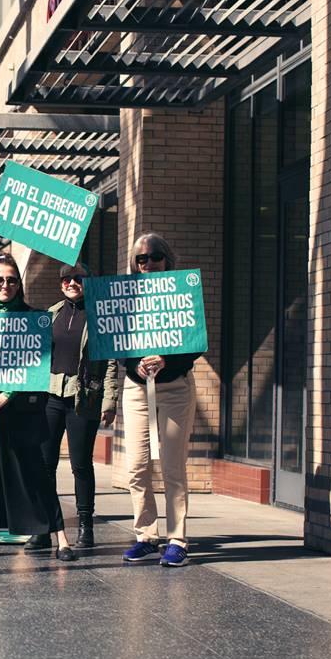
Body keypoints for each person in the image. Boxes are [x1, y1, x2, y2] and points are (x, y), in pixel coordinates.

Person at [0, 253, 76, 562]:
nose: (5, 285)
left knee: (35, 473)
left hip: (18, 410)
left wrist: (6, 395)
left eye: (11, 280)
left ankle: (61, 538)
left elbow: (36, 365)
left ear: (18, 284)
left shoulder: (34, 319)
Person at [120, 234, 201, 568]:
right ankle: (145, 535)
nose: (148, 263)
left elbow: (195, 343)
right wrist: (134, 362)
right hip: (137, 389)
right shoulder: (125, 297)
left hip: (174, 388)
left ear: (167, 260)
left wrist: (167, 359)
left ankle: (177, 538)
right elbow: (115, 341)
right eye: (142, 259)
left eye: (155, 257)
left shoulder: (183, 294)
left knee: (171, 466)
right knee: (136, 467)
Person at [41, 262, 118, 549]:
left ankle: (86, 525)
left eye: (78, 278)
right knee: (45, 466)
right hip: (50, 396)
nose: (72, 283)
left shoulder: (99, 316)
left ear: (88, 281)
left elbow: (110, 362)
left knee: (81, 464)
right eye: (66, 280)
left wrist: (109, 400)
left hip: (83, 398)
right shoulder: (51, 315)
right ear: (60, 284)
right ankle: (44, 525)